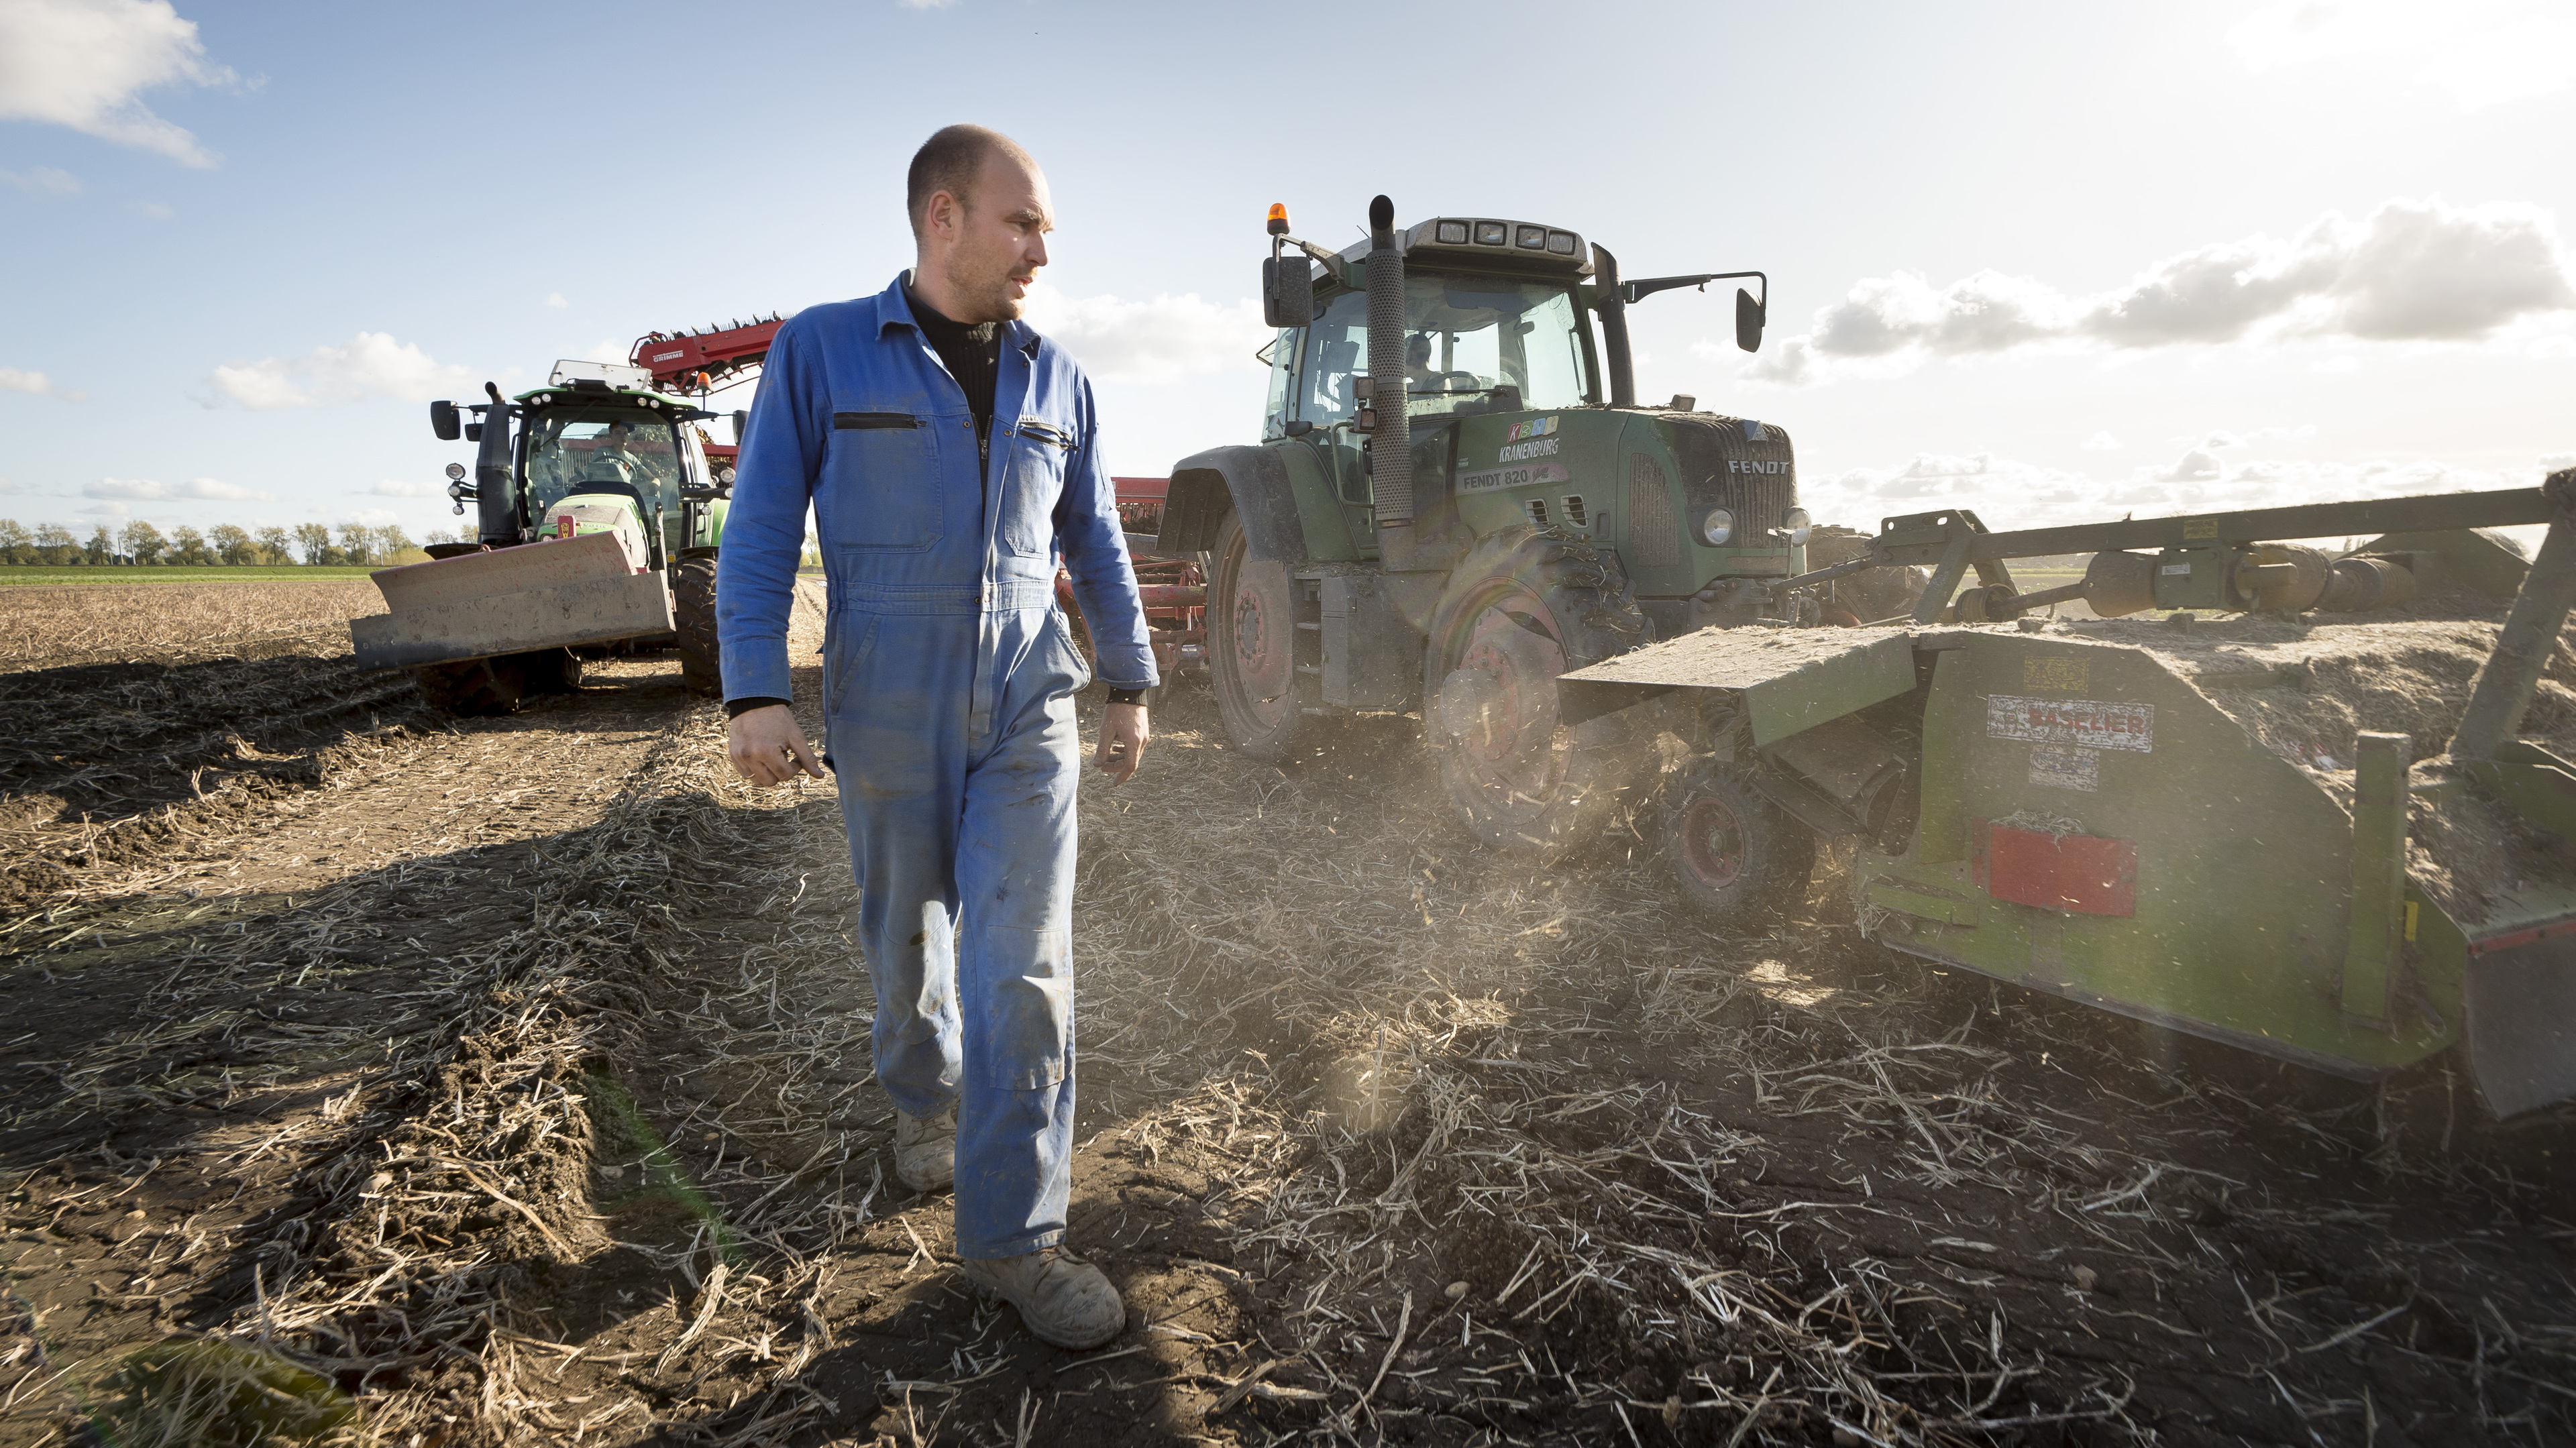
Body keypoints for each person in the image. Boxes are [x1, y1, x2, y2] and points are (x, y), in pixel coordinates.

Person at [714, 125, 1156, 1351]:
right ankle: (921, 1099)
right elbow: (757, 528)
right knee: (907, 935)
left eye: (1048, 231)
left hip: (1026, 700)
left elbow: (1097, 546)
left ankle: (1016, 1238)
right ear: (944, 217)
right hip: (886, 696)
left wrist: (1129, 682)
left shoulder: (1058, 379)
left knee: (1023, 966)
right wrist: (755, 689)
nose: (1041, 252)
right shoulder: (823, 350)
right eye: (1024, 225)